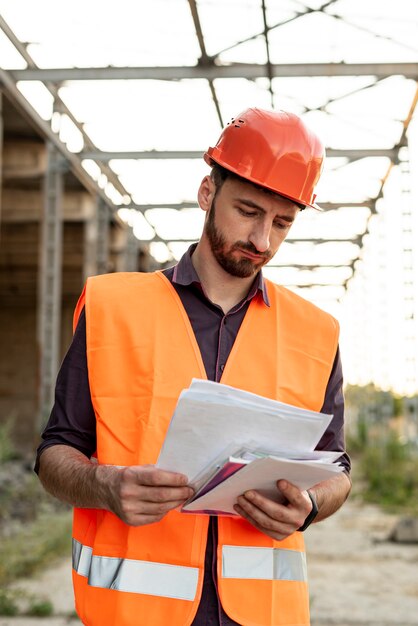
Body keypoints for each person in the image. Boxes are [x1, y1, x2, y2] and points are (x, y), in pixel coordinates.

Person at [36, 108, 351, 626]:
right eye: (248, 211)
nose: (263, 240)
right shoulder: (113, 307)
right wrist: (104, 485)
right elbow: (55, 453)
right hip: (134, 613)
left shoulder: (316, 332)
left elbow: (336, 466)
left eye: (283, 222)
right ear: (208, 193)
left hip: (263, 616)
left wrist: (311, 505)